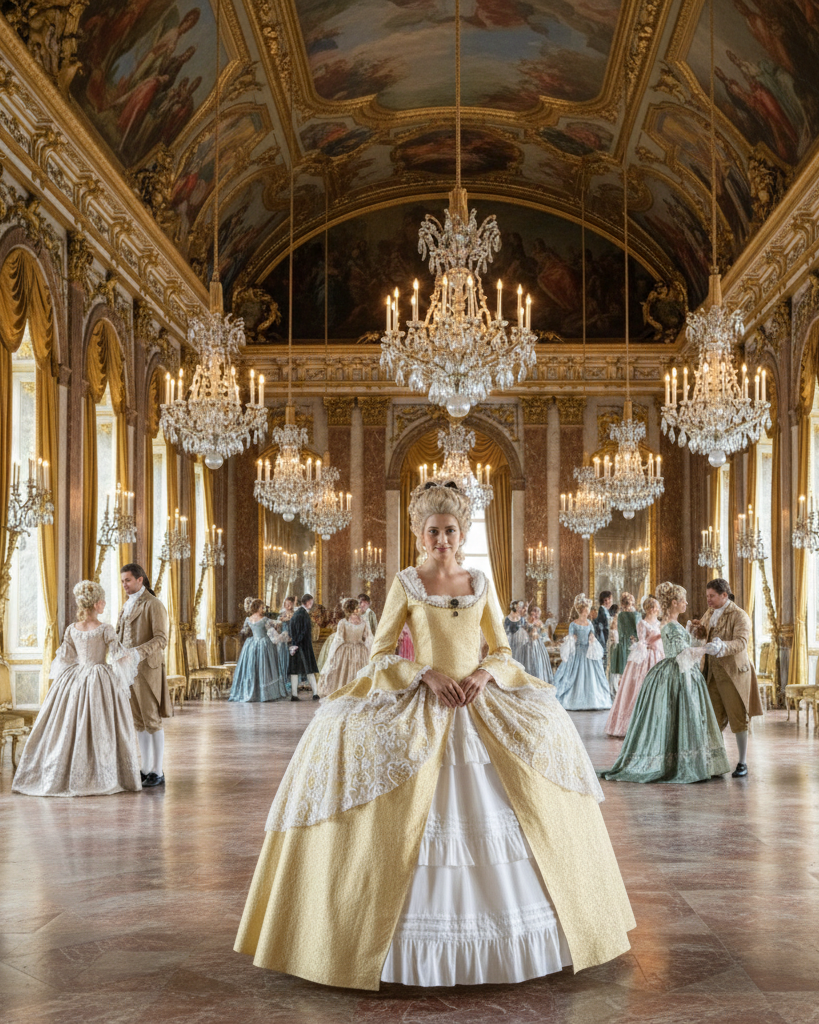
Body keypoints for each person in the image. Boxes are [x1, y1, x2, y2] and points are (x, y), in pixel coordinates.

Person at [235, 482, 635, 989]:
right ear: (419, 535)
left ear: (462, 533)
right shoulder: (407, 582)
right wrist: (425, 674)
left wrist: (483, 676)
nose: (442, 538)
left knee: (542, 748)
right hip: (425, 696)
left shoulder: (481, 582)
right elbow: (382, 653)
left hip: (478, 699)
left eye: (450, 530)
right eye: (433, 531)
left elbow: (502, 651)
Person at [13, 580, 142, 797]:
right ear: (96, 604)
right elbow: (119, 656)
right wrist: (133, 656)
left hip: (75, 678)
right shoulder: (106, 629)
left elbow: (64, 658)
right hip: (100, 677)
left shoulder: (72, 629)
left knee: (67, 725)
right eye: (102, 601)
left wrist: (64, 681)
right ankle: (105, 775)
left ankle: (64, 772)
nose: (104, 604)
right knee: (103, 725)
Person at [598, 583, 730, 784]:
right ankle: (679, 763)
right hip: (676, 675)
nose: (687, 602)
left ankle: (688, 760)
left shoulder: (674, 624)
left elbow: (685, 648)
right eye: (683, 599)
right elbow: (681, 655)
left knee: (687, 717)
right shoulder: (669, 625)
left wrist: (696, 637)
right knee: (680, 717)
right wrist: (707, 649)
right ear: (675, 603)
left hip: (683, 673)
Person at [691, 578, 763, 778]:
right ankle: (716, 761)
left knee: (738, 717)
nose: (708, 600)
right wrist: (698, 629)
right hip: (712, 673)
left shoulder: (740, 615)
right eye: (707, 596)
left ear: (724, 595)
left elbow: (741, 642)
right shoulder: (710, 612)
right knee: (712, 718)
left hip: (733, 674)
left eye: (712, 596)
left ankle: (742, 762)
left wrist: (723, 646)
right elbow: (705, 631)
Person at [117, 563, 170, 788]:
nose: (124, 585)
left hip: (147, 669)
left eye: (128, 580)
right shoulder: (126, 605)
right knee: (138, 722)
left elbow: (161, 639)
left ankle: (158, 771)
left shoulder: (154, 604)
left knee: (151, 720)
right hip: (128, 671)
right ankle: (145, 768)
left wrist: (137, 652)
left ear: (140, 580)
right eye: (122, 581)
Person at [605, 596, 663, 738]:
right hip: (647, 656)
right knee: (640, 686)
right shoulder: (642, 623)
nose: (658, 609)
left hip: (659, 656)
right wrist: (651, 641)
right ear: (651, 608)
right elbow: (642, 641)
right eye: (656, 606)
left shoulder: (659, 623)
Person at [553, 595, 612, 711]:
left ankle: (592, 700)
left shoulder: (590, 624)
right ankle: (573, 699)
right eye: (586, 610)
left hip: (587, 651)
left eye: (588, 610)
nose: (588, 612)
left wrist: (591, 637)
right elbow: (570, 637)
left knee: (592, 675)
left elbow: (592, 634)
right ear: (581, 611)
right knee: (574, 674)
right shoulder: (573, 624)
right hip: (577, 652)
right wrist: (572, 638)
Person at [230, 599, 290, 702]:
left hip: (252, 644)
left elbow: (244, 631)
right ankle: (265, 694)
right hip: (264, 644)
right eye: (262, 607)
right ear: (257, 608)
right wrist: (282, 620)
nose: (263, 609)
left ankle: (254, 691)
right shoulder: (264, 619)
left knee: (253, 668)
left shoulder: (248, 619)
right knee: (265, 668)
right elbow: (277, 624)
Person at [319, 598, 373, 697]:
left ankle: (358, 690)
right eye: (357, 608)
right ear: (351, 610)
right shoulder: (343, 622)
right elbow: (338, 639)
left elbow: (369, 637)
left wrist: (370, 650)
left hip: (360, 650)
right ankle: (346, 691)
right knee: (345, 672)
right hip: (346, 651)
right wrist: (333, 653)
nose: (360, 609)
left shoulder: (364, 621)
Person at [510, 606, 554, 684]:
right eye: (535, 612)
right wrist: (530, 626)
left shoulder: (540, 623)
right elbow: (522, 631)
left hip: (537, 645)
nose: (536, 614)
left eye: (538, 613)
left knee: (538, 663)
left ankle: (538, 682)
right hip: (527, 645)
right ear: (531, 613)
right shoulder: (526, 621)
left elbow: (544, 635)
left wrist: (541, 635)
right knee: (527, 663)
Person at [288, 594, 319, 701]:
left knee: (294, 670)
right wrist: (297, 643)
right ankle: (315, 693)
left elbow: (291, 630)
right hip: (304, 646)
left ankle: (294, 694)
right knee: (309, 669)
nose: (312, 604)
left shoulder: (295, 614)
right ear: (308, 602)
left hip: (295, 646)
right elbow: (304, 631)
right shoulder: (304, 615)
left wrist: (294, 644)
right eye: (311, 602)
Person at [609, 593, 638, 695]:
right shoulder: (635, 615)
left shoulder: (620, 615)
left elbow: (617, 629)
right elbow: (637, 631)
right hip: (632, 642)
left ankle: (622, 692)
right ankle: (630, 691)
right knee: (632, 669)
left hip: (622, 643)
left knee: (623, 669)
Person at [594, 591, 613, 671]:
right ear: (606, 600)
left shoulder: (604, 611)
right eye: (610, 599)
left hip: (604, 638)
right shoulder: (602, 611)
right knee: (603, 660)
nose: (611, 601)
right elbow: (604, 628)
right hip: (603, 639)